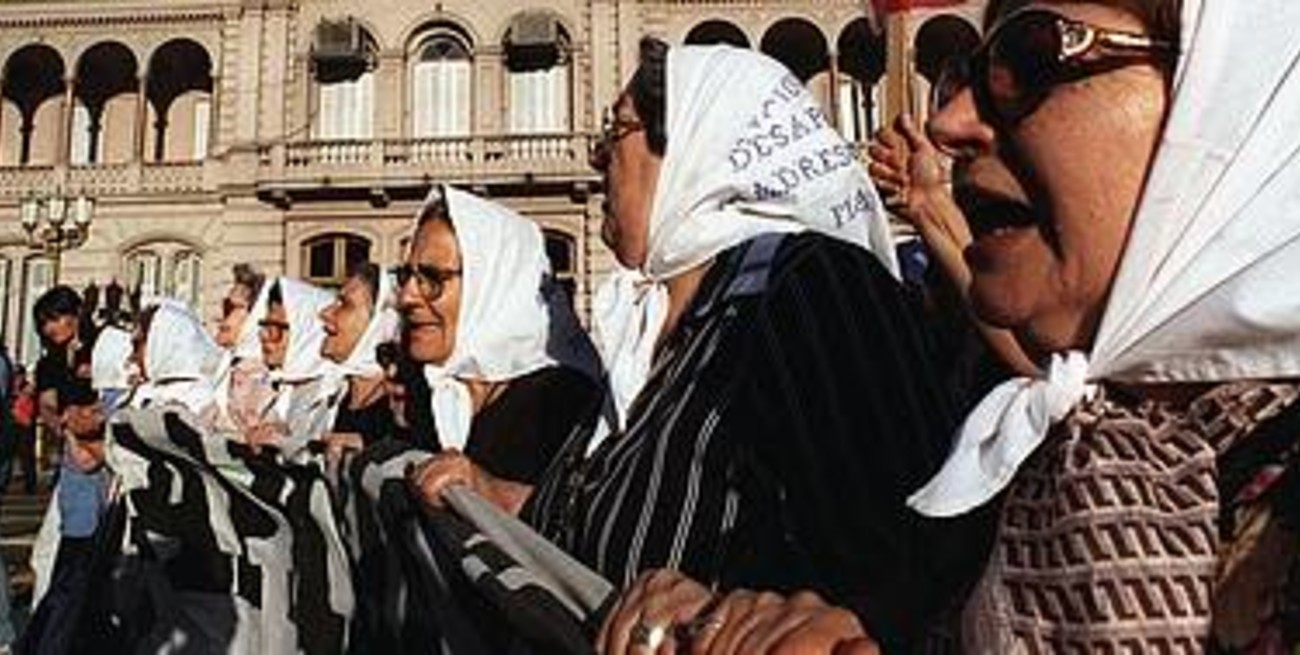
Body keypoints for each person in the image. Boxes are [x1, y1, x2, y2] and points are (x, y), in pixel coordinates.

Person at [414, 41, 964, 654]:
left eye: (616, 131)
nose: (597, 156)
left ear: (690, 145)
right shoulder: (655, 332)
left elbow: (911, 560)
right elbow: (608, 520)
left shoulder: (804, 285)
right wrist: (497, 497)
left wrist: (720, 614)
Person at [874, 0, 1300, 651]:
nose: (948, 122)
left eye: (1030, 57)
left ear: (1234, 100)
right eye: (972, 70)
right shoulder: (1096, 440)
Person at [318, 262, 400, 461]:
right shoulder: (339, 395)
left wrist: (370, 447)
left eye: (345, 305)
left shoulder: (401, 406)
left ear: (380, 325)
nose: (325, 313)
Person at [248, 277, 335, 454]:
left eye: (275, 329)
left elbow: (320, 455)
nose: (264, 337)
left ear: (305, 332)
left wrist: (279, 442)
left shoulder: (330, 390)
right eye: (265, 327)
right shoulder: (284, 384)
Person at [130, 300, 224, 415]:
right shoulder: (144, 393)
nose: (133, 356)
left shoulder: (202, 400)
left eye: (137, 345)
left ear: (160, 343)